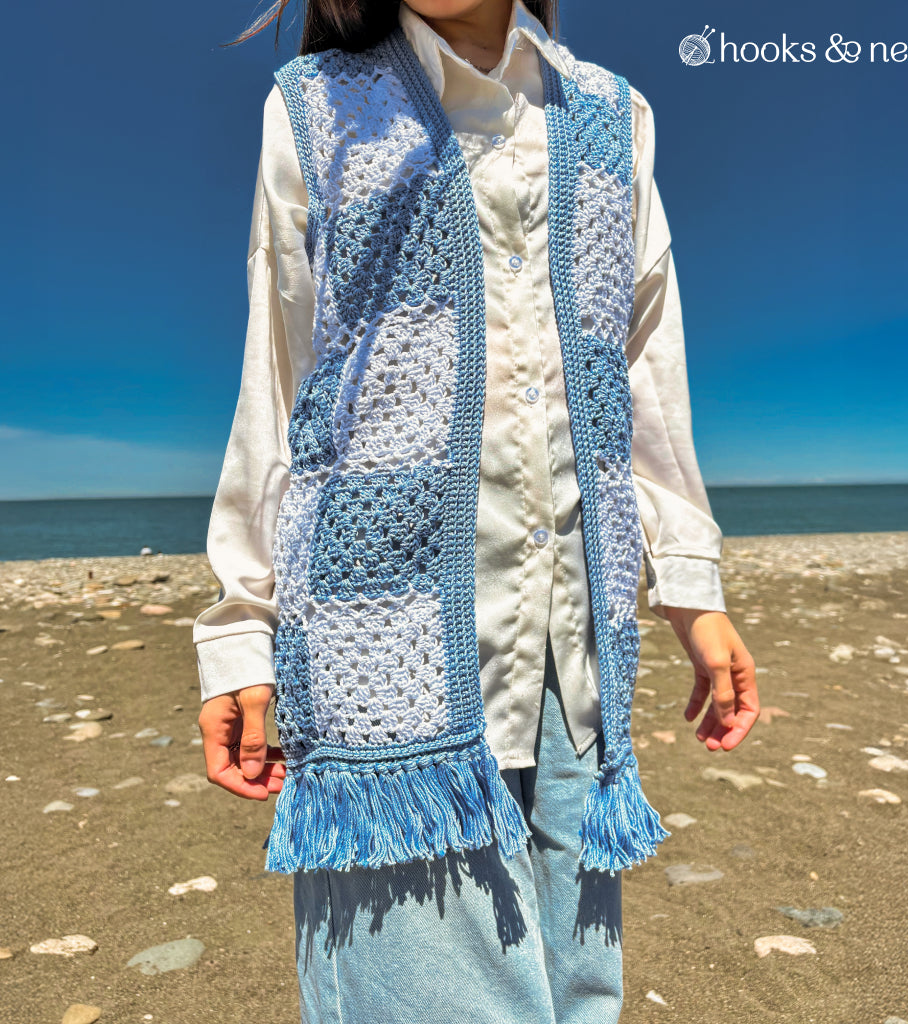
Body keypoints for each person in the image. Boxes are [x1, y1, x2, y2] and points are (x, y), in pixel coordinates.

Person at [195, 1, 759, 1021]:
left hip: (572, 660)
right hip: (378, 659)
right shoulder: (315, 108)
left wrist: (689, 585)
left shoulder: (611, 115)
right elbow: (281, 380)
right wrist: (241, 626)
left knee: (579, 995)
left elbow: (640, 362)